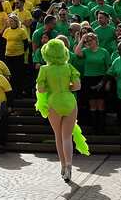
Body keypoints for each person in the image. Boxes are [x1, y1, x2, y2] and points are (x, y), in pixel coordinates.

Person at [36, 37, 89, 183]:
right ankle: (70, 165)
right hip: (70, 100)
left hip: (54, 101)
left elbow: (40, 89)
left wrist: (49, 88)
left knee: (58, 136)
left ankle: (63, 166)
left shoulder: (44, 69)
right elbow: (77, 86)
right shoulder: (69, 67)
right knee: (67, 137)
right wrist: (67, 88)